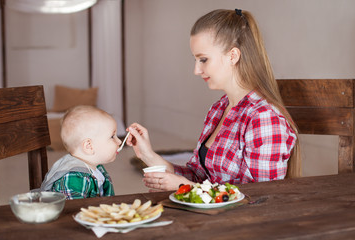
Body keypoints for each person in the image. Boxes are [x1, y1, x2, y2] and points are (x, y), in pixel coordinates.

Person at [126, 8, 301, 191]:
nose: (196, 70)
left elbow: (262, 198)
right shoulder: (219, 109)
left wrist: (187, 187)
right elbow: (198, 177)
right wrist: (147, 155)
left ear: (233, 56)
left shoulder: (263, 118)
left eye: (203, 59)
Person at [40, 105, 122, 199]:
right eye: (112, 136)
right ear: (89, 146)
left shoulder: (97, 168)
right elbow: (72, 211)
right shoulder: (73, 178)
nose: (119, 141)